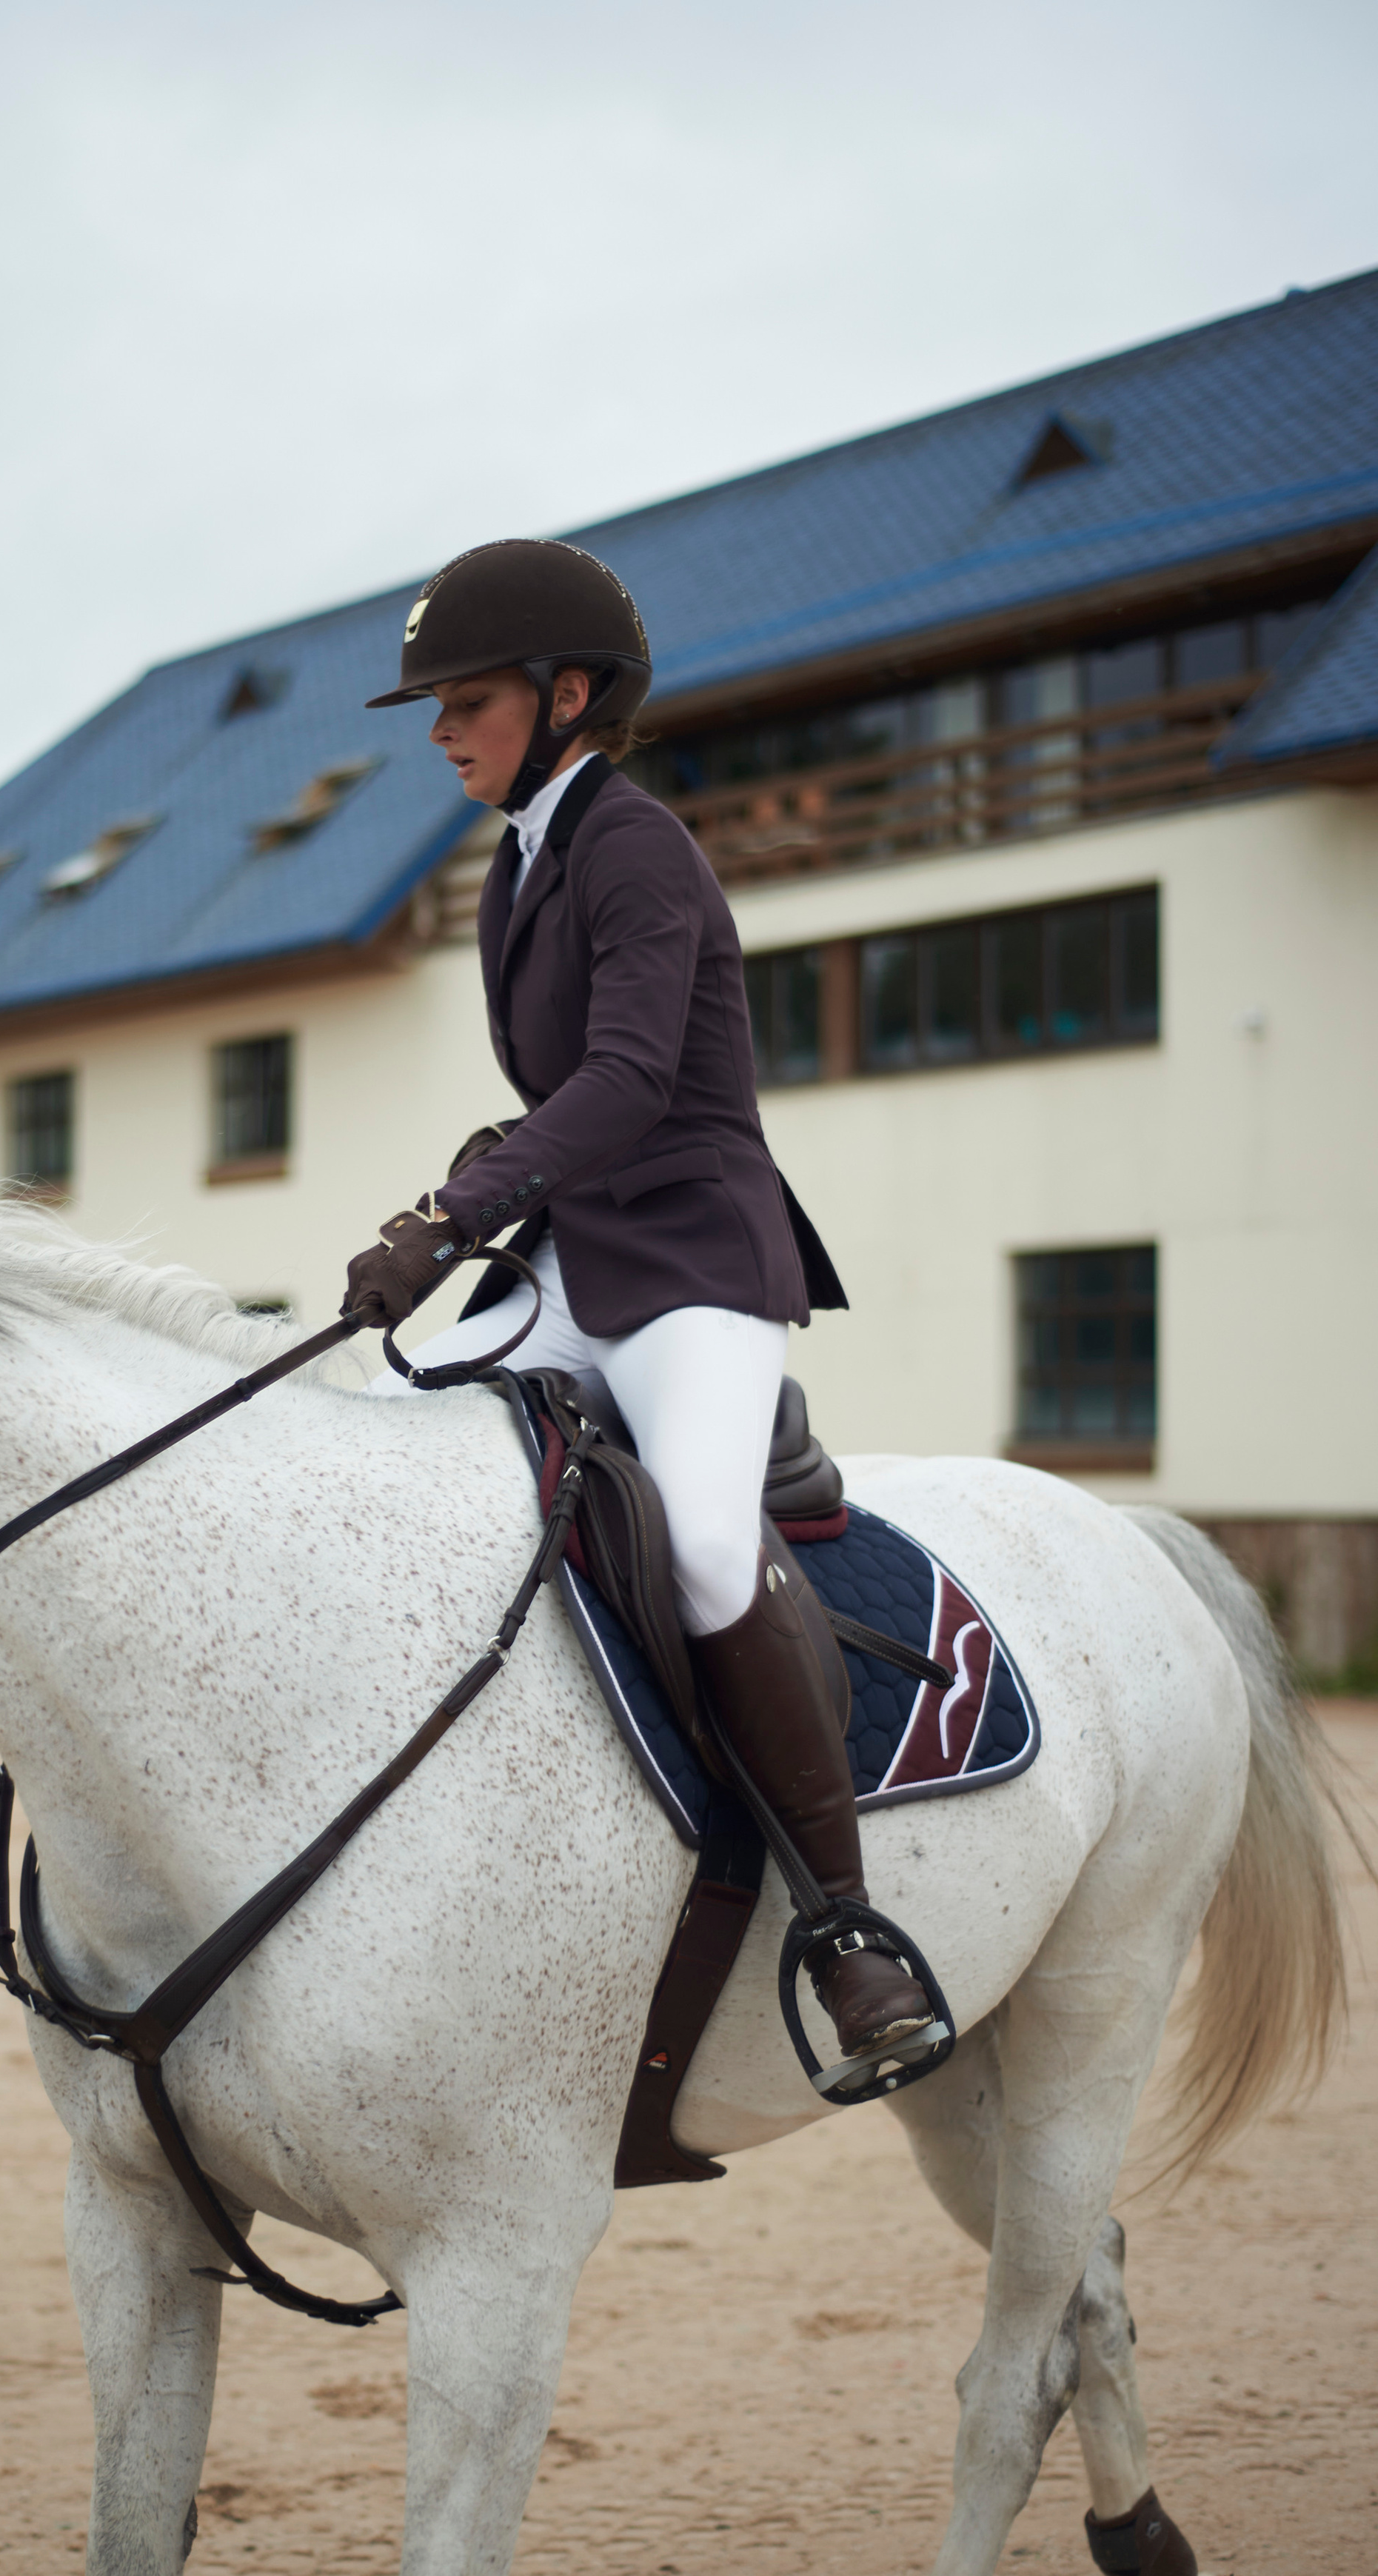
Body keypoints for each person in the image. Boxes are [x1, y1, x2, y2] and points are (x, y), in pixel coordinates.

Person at [342, 538, 934, 2066]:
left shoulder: (633, 847)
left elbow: (626, 1083)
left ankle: (846, 1927)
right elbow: (554, 1100)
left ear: (567, 697)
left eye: (462, 701)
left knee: (702, 1547)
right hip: (574, 1255)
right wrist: (477, 1195)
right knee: (382, 1432)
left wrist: (447, 1212)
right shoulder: (511, 872)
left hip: (691, 1266)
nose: (437, 732)